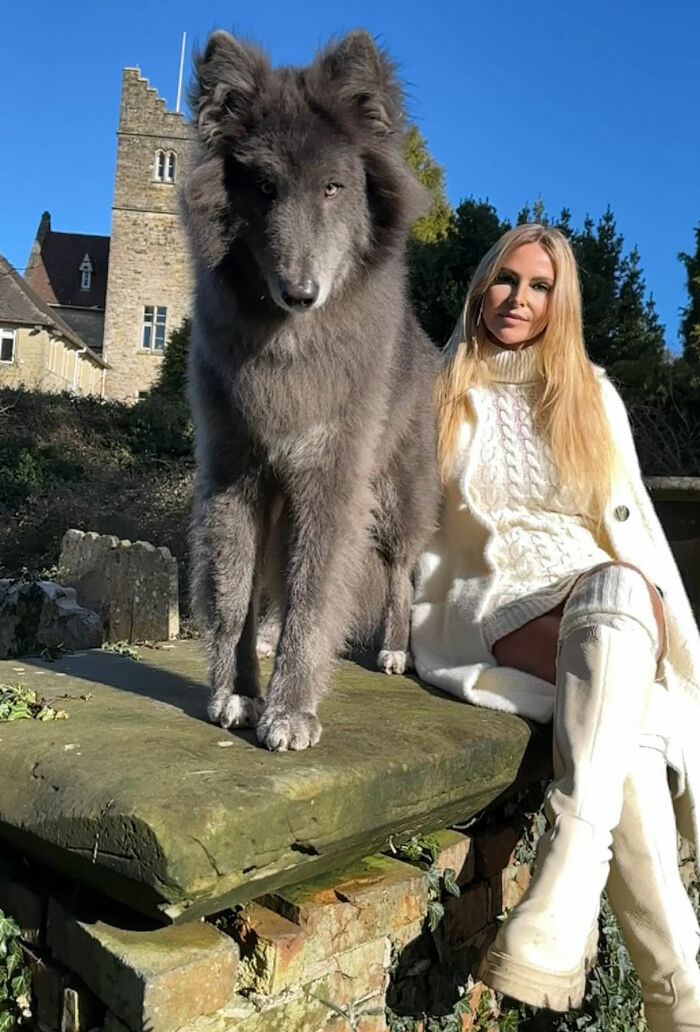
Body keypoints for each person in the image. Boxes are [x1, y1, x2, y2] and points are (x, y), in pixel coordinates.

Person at [410, 223, 700, 1031]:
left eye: (539, 287)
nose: (518, 300)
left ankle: (598, 931)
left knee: (618, 645)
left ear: (558, 303)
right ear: (480, 285)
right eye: (506, 280)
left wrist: (667, 625)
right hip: (488, 592)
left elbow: (630, 521)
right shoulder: (434, 388)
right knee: (629, 714)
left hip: (599, 596)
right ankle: (676, 988)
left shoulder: (589, 392)